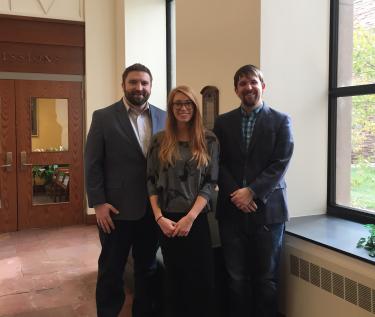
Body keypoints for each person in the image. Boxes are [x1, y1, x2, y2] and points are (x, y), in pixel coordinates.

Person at [84, 63, 166, 317]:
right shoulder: (103, 117)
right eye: (133, 82)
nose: (139, 88)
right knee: (111, 269)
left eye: (144, 83)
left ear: (151, 86)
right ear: (123, 85)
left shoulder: (165, 117)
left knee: (147, 268)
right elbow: (92, 163)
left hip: (153, 211)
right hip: (115, 210)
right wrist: (98, 203)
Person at [213, 64, 294, 317]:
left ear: (263, 86)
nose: (248, 87)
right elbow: (219, 162)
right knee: (236, 278)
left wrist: (253, 192)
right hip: (231, 211)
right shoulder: (223, 122)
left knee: (266, 280)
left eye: (253, 82)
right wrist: (237, 194)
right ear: (236, 90)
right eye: (242, 83)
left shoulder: (281, 121)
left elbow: (281, 162)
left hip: (268, 213)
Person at [147, 85, 219, 317]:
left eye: (188, 103)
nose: (183, 108)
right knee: (174, 279)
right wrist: (159, 218)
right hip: (167, 221)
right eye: (178, 104)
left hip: (196, 220)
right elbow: (150, 181)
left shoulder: (209, 139)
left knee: (201, 280)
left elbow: (210, 182)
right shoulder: (159, 141)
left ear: (195, 107)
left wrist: (190, 217)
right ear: (171, 108)